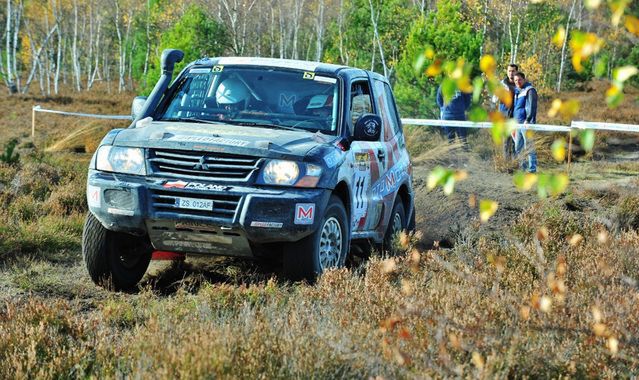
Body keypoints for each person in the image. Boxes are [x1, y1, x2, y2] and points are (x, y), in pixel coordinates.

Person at [512, 71, 538, 173]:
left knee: (529, 147)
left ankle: (532, 170)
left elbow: (532, 106)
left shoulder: (530, 90)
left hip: (526, 123)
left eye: (519, 80)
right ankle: (522, 168)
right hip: (518, 124)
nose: (517, 82)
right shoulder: (518, 91)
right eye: (515, 80)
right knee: (518, 147)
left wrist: (528, 120)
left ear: (524, 79)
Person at [495, 63, 518, 159]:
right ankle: (506, 164)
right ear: (507, 72)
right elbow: (494, 99)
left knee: (515, 141)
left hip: (516, 117)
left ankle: (515, 163)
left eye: (513, 71)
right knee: (506, 141)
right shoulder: (501, 84)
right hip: (504, 116)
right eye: (509, 71)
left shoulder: (519, 84)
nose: (511, 73)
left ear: (517, 72)